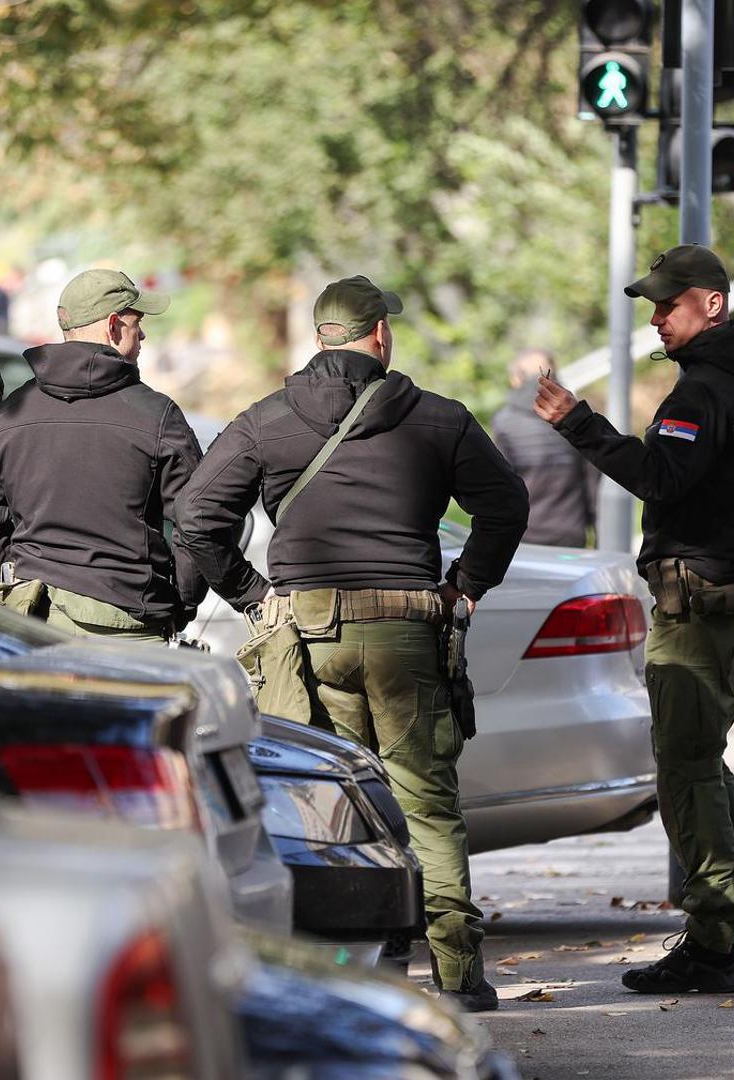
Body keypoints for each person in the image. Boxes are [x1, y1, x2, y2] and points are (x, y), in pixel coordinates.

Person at [174, 275, 528, 1012]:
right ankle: (460, 977)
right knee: (427, 804)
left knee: (320, 808)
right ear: (379, 335)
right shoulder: (438, 418)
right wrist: (465, 584)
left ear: (320, 337)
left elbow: (199, 516)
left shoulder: (266, 420)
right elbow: (506, 505)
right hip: (406, 629)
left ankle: (338, 978)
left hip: (305, 640)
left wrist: (251, 595)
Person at [531, 244, 734, 995]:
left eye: (667, 304)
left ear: (711, 304)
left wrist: (578, 423)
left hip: (704, 597)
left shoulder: (702, 393)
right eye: (652, 307)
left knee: (683, 766)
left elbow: (661, 478)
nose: (655, 319)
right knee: (699, 754)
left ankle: (713, 941)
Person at [0, 268, 204, 644]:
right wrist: (180, 603)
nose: (143, 336)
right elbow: (198, 522)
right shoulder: (157, 416)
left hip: (35, 623)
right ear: (113, 327)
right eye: (137, 325)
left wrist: (16, 579)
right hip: (130, 627)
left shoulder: (11, 413)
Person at [491, 347, 599, 547]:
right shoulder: (578, 417)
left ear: (516, 379)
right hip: (571, 534)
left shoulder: (504, 422)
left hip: (523, 535)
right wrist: (600, 532)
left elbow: (499, 487)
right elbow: (593, 483)